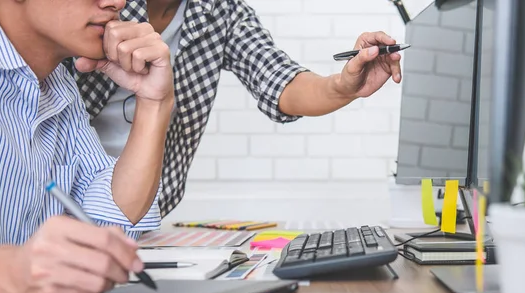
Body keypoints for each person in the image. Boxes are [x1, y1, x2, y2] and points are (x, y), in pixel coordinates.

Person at [66, 0, 403, 217]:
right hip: (67, 199)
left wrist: (343, 85)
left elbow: (279, 80)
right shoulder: (97, 7)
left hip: (145, 209)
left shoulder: (221, 11)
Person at [0, 0, 174, 293]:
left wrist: (155, 103)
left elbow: (108, 219)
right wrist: (9, 272)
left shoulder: (58, 86)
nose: (118, 2)